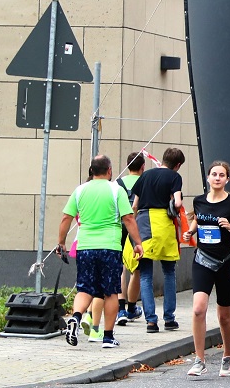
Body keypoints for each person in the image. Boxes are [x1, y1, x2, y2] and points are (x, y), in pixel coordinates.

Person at [58, 155, 144, 348]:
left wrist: (61, 242)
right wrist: (137, 242)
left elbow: (66, 218)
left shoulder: (80, 190)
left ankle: (76, 317)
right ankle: (107, 337)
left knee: (84, 288)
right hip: (110, 247)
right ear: (109, 170)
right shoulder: (116, 190)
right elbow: (129, 218)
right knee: (111, 292)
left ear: (91, 171)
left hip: (85, 247)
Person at [183, 161, 230, 377]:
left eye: (222, 175)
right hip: (202, 260)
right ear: (208, 178)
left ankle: (227, 355)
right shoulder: (199, 201)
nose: (217, 178)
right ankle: (199, 359)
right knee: (199, 308)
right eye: (214, 174)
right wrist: (190, 232)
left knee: (224, 316)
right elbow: (199, 219)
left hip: (226, 262)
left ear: (227, 179)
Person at [131, 147, 186, 333]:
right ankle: (169, 319)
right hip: (163, 223)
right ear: (177, 165)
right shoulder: (174, 177)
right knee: (169, 272)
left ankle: (151, 322)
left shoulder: (144, 176)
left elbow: (134, 205)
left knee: (145, 274)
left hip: (144, 223)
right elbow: (177, 203)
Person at [116, 152, 146, 325]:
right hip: (139, 227)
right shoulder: (145, 182)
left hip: (120, 227)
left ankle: (120, 309)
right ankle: (132, 307)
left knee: (121, 267)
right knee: (137, 268)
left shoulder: (117, 184)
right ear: (143, 167)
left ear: (128, 166)